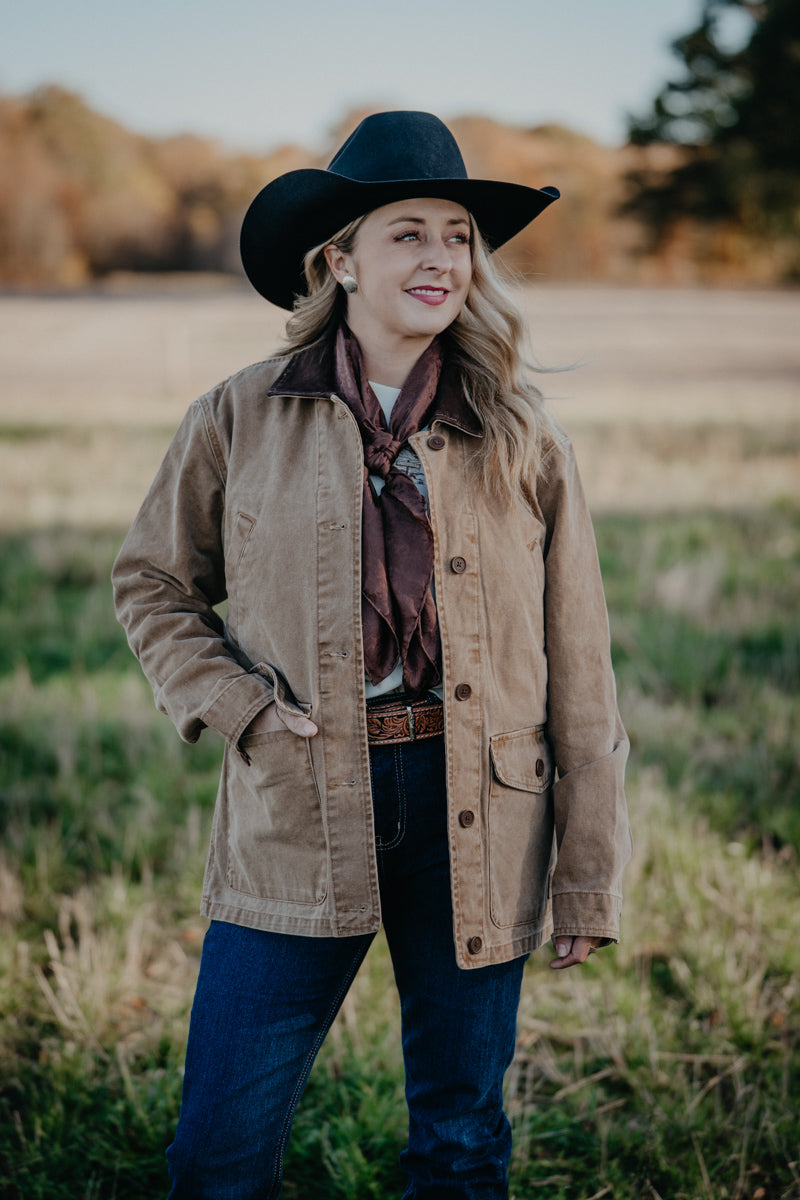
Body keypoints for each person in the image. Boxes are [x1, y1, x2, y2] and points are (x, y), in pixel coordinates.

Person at [112, 110, 632, 1200]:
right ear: (338, 259)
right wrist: (240, 707)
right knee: (217, 1148)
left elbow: (581, 664)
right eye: (407, 232)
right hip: (298, 804)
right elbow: (151, 584)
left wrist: (585, 875)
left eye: (456, 235)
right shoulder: (239, 416)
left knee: (459, 1142)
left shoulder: (522, 432)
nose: (439, 256)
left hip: (479, 810)